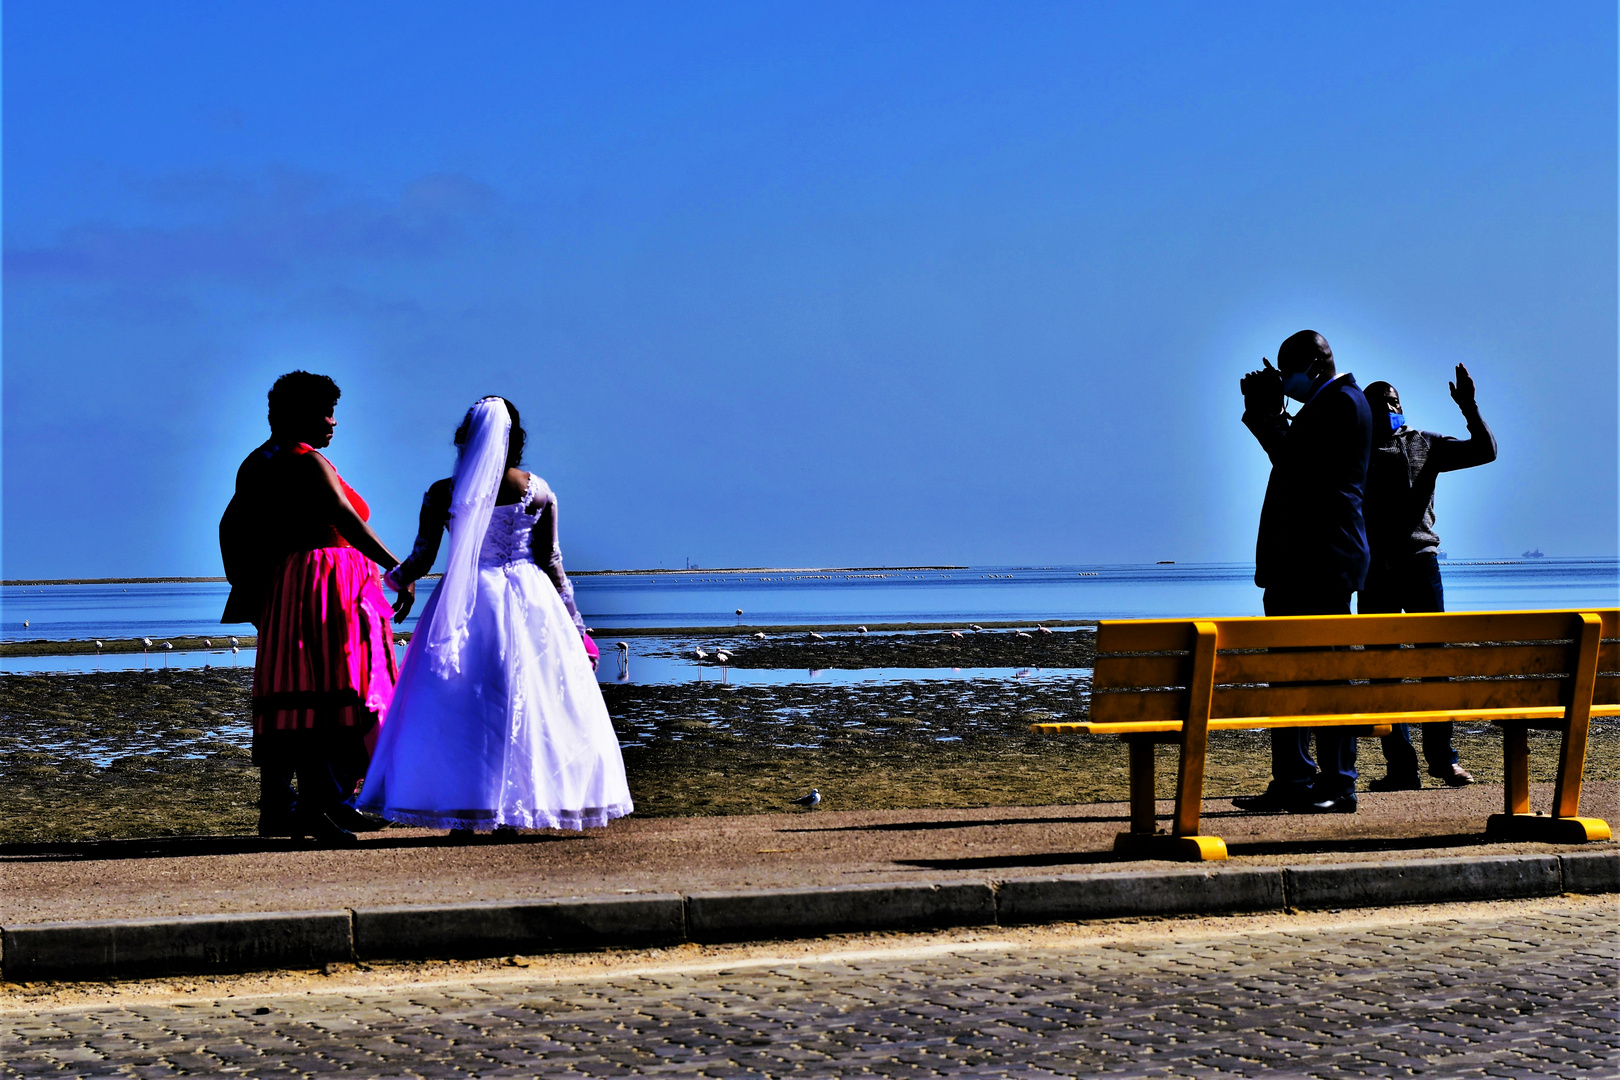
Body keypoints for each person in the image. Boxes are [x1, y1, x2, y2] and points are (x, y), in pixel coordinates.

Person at [357, 397, 633, 834]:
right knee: (528, 702)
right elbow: (553, 563)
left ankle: (465, 815)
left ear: (467, 438)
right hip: (532, 602)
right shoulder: (537, 489)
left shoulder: (444, 492)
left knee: (462, 705)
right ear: (514, 438)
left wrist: (385, 582)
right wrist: (578, 629)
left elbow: (421, 559)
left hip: (464, 602)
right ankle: (515, 813)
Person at [229, 371, 411, 844]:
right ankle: (315, 805)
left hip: (289, 585)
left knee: (293, 694)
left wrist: (250, 586)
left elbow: (231, 529)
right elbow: (347, 520)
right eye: (322, 413)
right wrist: (400, 569)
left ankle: (298, 805)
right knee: (331, 692)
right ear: (293, 416)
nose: (333, 422)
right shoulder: (307, 463)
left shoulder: (256, 463)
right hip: (325, 586)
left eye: (333, 412)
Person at [1232, 330, 1373, 814]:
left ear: (1313, 366)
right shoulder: (1333, 403)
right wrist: (1271, 412)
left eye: (1288, 372)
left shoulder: (1342, 404)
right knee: (1288, 675)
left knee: (1327, 673)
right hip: (1305, 563)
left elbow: (1294, 463)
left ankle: (1337, 782)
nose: (1285, 382)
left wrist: (1264, 414)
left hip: (1320, 562)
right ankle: (1294, 778)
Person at [1359, 367, 1497, 790]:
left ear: (1403, 407)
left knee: (1434, 666)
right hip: (1373, 572)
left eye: (1394, 400)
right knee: (1384, 671)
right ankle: (1401, 767)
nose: (1389, 405)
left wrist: (1469, 407)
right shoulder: (1353, 450)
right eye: (1378, 401)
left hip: (1421, 564)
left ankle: (1444, 760)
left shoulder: (1426, 444)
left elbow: (1485, 450)